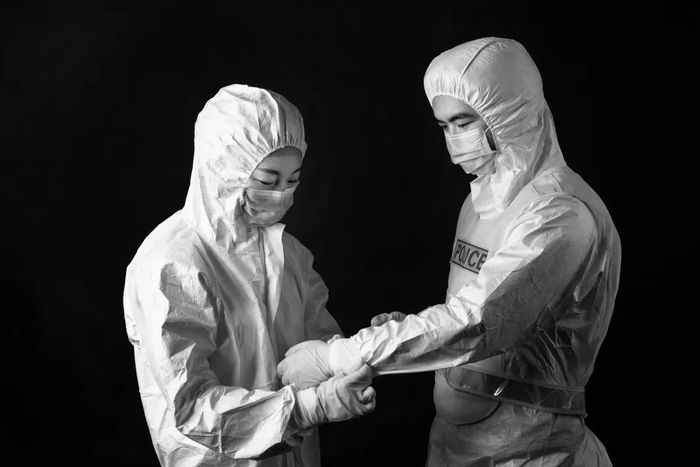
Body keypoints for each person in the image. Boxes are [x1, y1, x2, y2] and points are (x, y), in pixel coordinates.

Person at [278, 37, 620, 466]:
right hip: (456, 443)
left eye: (464, 122)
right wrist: (410, 333)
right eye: (444, 127)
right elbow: (463, 314)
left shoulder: (559, 215)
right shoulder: (480, 201)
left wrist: (341, 355)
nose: (454, 141)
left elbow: (479, 322)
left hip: (533, 450)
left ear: (510, 111)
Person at [123, 84, 376, 467]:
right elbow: (192, 405)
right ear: (224, 169)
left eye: (292, 180)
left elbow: (317, 343)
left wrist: (357, 353)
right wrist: (308, 408)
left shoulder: (287, 253)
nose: (282, 194)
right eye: (268, 181)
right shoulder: (174, 264)